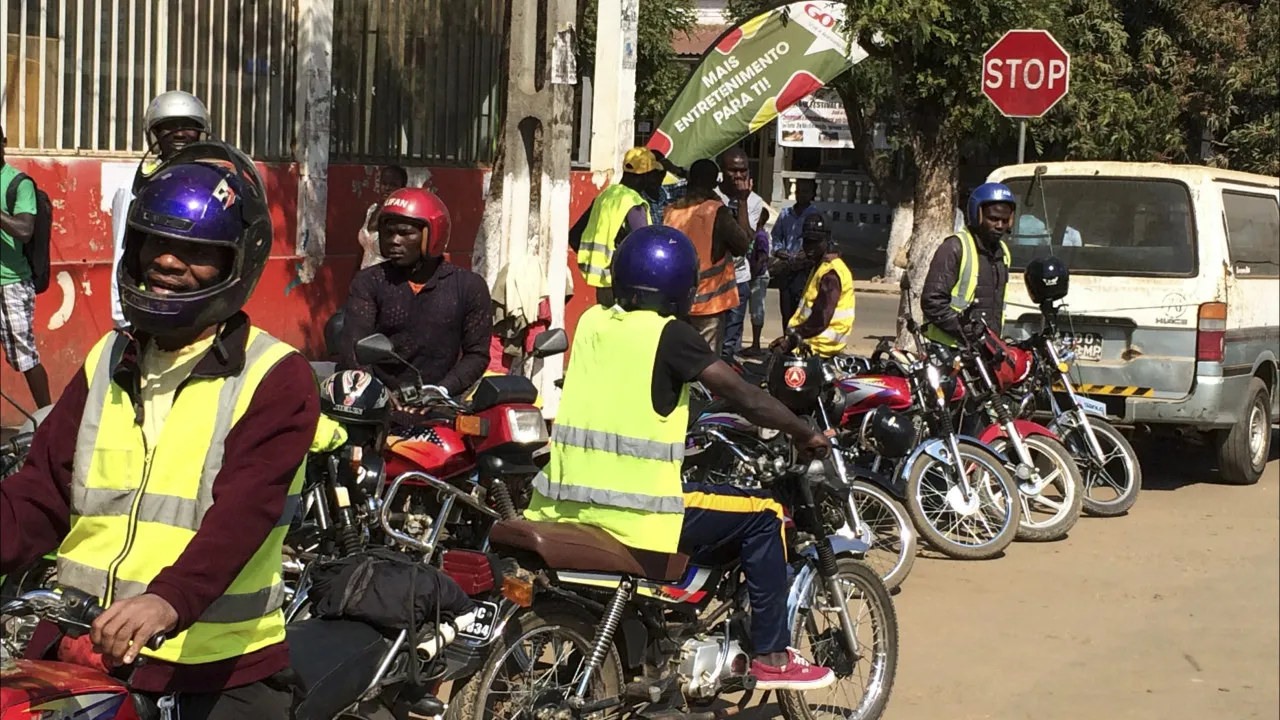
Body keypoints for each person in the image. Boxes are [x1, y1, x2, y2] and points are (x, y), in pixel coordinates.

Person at [0, 141, 319, 719]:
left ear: (237, 264)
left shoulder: (275, 376)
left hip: (213, 666)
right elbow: (39, 492)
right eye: (156, 242)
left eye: (197, 251)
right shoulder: (108, 357)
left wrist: (168, 600)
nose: (168, 262)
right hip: (82, 649)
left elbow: (245, 513)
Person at [526, 225, 836, 691]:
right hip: (639, 515)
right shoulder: (670, 335)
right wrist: (804, 432)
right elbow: (744, 396)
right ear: (682, 287)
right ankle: (772, 656)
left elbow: (631, 395)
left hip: (563, 506)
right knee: (765, 514)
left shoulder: (591, 323)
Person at [340, 187, 492, 418]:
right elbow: (354, 347)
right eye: (388, 233)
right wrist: (375, 390)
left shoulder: (468, 286)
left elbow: (477, 354)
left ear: (432, 235)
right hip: (376, 406)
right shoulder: (369, 281)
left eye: (405, 233)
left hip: (439, 406)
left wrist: (440, 391)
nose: (394, 241)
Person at [111, 91, 212, 329]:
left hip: (201, 305)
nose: (179, 133)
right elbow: (122, 251)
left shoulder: (212, 182)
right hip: (152, 302)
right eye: (169, 126)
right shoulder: (136, 184)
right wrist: (122, 316)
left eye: (188, 125)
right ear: (154, 133)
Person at [663, 159, 753, 354]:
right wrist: (742, 201)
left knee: (679, 357)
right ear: (714, 183)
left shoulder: (671, 211)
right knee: (706, 362)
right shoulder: (715, 211)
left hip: (676, 300)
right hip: (708, 305)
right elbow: (743, 244)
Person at [570, 147, 665, 307]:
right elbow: (645, 249)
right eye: (653, 174)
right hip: (624, 285)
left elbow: (574, 236)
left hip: (603, 284)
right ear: (645, 176)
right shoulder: (633, 202)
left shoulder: (605, 196)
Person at [922, 182, 1014, 347]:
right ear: (978, 215)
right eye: (993, 219)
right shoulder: (955, 247)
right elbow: (932, 302)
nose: (1000, 226)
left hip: (985, 348)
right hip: (951, 348)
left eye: (1005, 220)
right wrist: (967, 330)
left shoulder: (1003, 252)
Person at [0, 124, 52, 409]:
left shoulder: (19, 184)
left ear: (4, 143)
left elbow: (24, 229)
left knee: (24, 356)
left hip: (11, 283)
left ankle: (48, 417)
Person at [773, 214, 855, 357]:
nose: (809, 247)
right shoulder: (818, 265)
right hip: (809, 341)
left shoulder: (831, 274)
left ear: (827, 240)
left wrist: (790, 341)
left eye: (815, 242)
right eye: (807, 241)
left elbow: (821, 318)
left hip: (819, 346)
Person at [715, 147, 765, 361]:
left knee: (730, 343)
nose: (738, 176)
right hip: (714, 278)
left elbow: (745, 240)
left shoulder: (754, 201)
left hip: (739, 278)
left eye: (743, 171)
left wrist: (742, 201)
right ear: (722, 170)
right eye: (733, 170)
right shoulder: (713, 196)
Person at [770, 178, 822, 327]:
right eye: (799, 191)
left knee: (803, 312)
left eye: (805, 192)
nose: (801, 195)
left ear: (812, 194)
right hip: (786, 270)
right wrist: (779, 250)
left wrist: (807, 254)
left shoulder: (816, 215)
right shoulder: (785, 214)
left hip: (805, 271)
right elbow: (776, 236)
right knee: (786, 312)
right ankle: (787, 338)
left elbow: (821, 242)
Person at [358, 164, 409, 269]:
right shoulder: (371, 210)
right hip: (365, 274)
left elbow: (372, 227)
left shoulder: (401, 216)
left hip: (387, 275)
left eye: (393, 185)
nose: (387, 188)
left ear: (402, 187)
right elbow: (363, 251)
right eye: (384, 183)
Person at [743, 211, 771, 355]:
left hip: (758, 277)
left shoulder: (761, 236)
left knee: (757, 310)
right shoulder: (752, 234)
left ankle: (756, 344)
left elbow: (762, 258)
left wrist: (752, 275)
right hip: (751, 276)